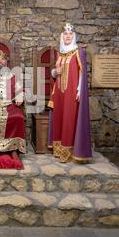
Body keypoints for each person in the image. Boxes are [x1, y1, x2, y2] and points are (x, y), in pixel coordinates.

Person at [47, 23, 92, 163]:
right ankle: (60, 150)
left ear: (74, 36)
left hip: (72, 92)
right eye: (65, 34)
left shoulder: (79, 52)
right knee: (60, 118)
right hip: (60, 93)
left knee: (70, 119)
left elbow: (82, 74)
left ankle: (72, 151)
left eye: (70, 34)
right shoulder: (59, 54)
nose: (67, 36)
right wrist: (55, 72)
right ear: (62, 36)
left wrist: (79, 90)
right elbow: (55, 74)